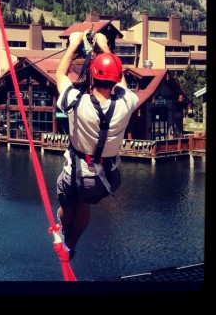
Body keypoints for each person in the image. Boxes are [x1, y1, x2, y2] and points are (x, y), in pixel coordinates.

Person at [55, 30, 138, 260]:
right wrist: (105, 48)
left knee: (67, 204)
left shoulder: (77, 102)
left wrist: (73, 46)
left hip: (76, 176)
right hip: (106, 180)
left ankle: (62, 230)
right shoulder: (126, 103)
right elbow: (120, 80)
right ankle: (70, 245)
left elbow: (60, 75)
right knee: (85, 203)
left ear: (93, 75)